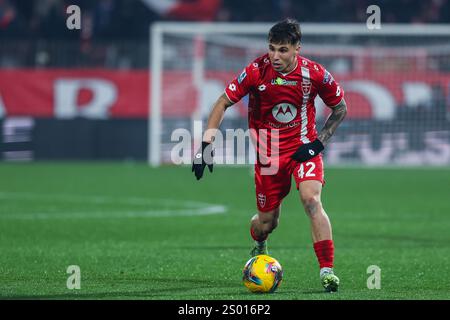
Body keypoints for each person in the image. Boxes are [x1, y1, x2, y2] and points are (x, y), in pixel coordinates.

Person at [191, 18, 347, 292]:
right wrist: (206, 144)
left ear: (297, 48)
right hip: (268, 156)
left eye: (283, 49)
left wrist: (318, 144)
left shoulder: (315, 74)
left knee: (311, 200)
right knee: (266, 223)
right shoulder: (255, 71)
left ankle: (327, 271)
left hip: (302, 149)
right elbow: (222, 102)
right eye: (272, 48)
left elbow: (340, 108)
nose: (275, 56)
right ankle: (260, 241)